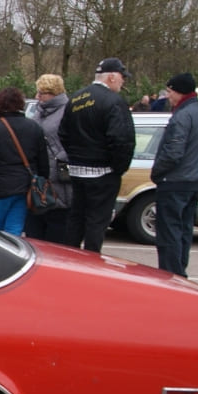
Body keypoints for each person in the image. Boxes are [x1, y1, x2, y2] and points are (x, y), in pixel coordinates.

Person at [60, 56, 135, 252]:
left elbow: (63, 133)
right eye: (121, 77)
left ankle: (70, 259)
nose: (123, 81)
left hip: (77, 171)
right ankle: (91, 262)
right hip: (103, 173)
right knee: (96, 221)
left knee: (76, 218)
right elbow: (122, 141)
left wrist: (75, 156)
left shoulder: (75, 98)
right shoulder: (115, 102)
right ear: (111, 77)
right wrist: (118, 168)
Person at [149, 73, 198, 277]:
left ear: (179, 91)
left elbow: (173, 152)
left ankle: (171, 276)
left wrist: (157, 172)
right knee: (184, 232)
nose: (168, 96)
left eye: (170, 91)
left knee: (169, 234)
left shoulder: (183, 116)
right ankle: (179, 272)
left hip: (175, 182)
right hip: (193, 180)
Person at [0, 87, 48, 237]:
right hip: (24, 186)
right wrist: (41, 183)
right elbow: (42, 161)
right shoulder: (34, 128)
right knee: (14, 229)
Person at [24, 73, 72, 245]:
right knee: (34, 234)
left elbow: (74, 143)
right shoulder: (39, 111)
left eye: (41, 93)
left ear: (53, 93)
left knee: (57, 233)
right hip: (39, 180)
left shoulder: (68, 112)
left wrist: (59, 156)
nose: (37, 97)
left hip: (59, 179)